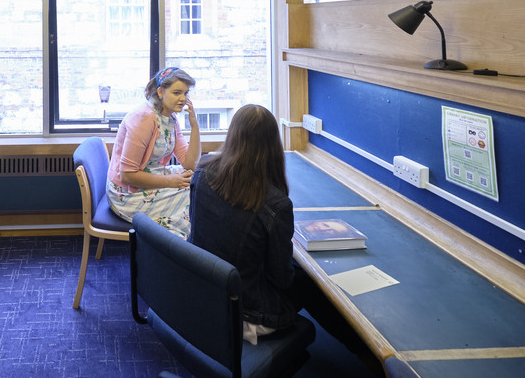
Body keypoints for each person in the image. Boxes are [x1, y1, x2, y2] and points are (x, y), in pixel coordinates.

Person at [189, 104, 377, 368]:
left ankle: (365, 354)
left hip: (207, 293)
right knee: (311, 284)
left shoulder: (203, 170)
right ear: (271, 145)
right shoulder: (274, 203)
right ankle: (367, 355)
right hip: (249, 313)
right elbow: (281, 278)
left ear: (232, 135)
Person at [106, 66, 200, 238]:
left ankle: (183, 247)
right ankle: (177, 249)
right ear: (160, 92)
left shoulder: (170, 116)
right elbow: (127, 175)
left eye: (186, 93)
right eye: (177, 92)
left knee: (197, 181)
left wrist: (195, 126)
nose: (183, 99)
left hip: (152, 177)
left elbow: (190, 163)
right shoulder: (144, 118)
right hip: (127, 194)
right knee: (192, 196)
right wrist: (171, 181)